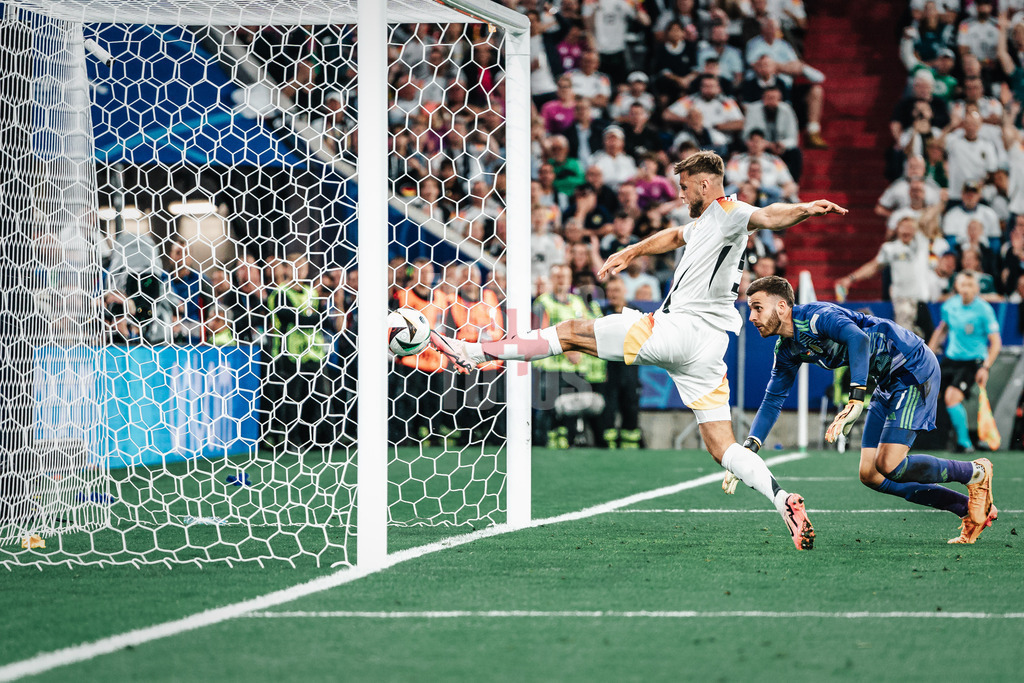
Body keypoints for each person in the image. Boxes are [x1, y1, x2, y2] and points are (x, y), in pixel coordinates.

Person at [431, 150, 849, 550]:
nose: (681, 196)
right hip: (708, 348)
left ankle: (477, 353)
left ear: (706, 183)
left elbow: (767, 216)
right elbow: (672, 236)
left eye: (686, 187)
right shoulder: (705, 224)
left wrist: (805, 209)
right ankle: (783, 501)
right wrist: (631, 250)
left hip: (681, 329)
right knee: (723, 447)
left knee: (574, 331)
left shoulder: (730, 212)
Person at [737, 275, 996, 545]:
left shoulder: (815, 317)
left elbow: (857, 338)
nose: (752, 316)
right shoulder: (788, 349)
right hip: (887, 380)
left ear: (781, 307)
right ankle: (967, 508)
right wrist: (747, 451)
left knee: (889, 464)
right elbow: (773, 399)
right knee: (870, 474)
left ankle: (974, 472)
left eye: (758, 307)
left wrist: (856, 398)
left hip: (911, 367)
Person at [928, 271, 1002, 453]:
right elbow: (942, 330)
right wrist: (928, 355)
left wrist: (985, 367)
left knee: (952, 397)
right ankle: (926, 440)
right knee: (927, 392)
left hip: (973, 362)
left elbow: (996, 343)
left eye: (970, 285)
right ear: (957, 287)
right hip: (951, 359)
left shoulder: (984, 309)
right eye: (963, 285)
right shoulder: (949, 306)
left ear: (976, 288)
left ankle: (965, 444)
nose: (966, 289)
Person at [266, 251, 331, 453]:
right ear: (286, 269)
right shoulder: (280, 294)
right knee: (292, 399)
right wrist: (312, 315)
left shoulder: (311, 292)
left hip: (314, 354)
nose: (299, 269)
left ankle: (314, 439)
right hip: (290, 355)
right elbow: (294, 320)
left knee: (319, 396)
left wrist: (312, 315)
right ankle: (291, 440)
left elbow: (321, 320)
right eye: (294, 265)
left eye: (302, 265)